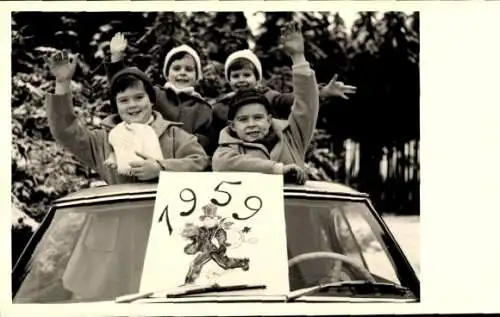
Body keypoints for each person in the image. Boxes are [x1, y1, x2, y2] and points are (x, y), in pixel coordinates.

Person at [45, 49, 208, 300]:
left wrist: (161, 168)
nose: (132, 105)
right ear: (116, 105)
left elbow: (200, 163)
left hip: (162, 239)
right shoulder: (103, 140)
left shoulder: (176, 136)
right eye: (124, 100)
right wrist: (62, 83)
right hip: (109, 250)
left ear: (151, 100)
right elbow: (66, 130)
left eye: (138, 97)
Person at [212, 22, 320, 185]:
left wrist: (298, 58)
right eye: (243, 119)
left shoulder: (292, 137)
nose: (251, 125)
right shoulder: (227, 150)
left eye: (258, 117)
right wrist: (277, 169)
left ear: (269, 120)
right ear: (232, 125)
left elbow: (306, 103)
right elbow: (221, 164)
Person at [211, 45, 357, 148]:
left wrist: (321, 92)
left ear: (257, 79)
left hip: (268, 154)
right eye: (236, 76)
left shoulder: (269, 97)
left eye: (247, 75)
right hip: (235, 159)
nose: (241, 80)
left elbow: (293, 99)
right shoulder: (221, 106)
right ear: (229, 80)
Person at [105, 32, 215, 155]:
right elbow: (125, 85)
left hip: (181, 161)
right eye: (176, 68)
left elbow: (204, 143)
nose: (182, 73)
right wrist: (117, 58)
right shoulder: (155, 94)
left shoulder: (203, 108)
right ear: (167, 74)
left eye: (189, 69)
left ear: (197, 77)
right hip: (146, 153)